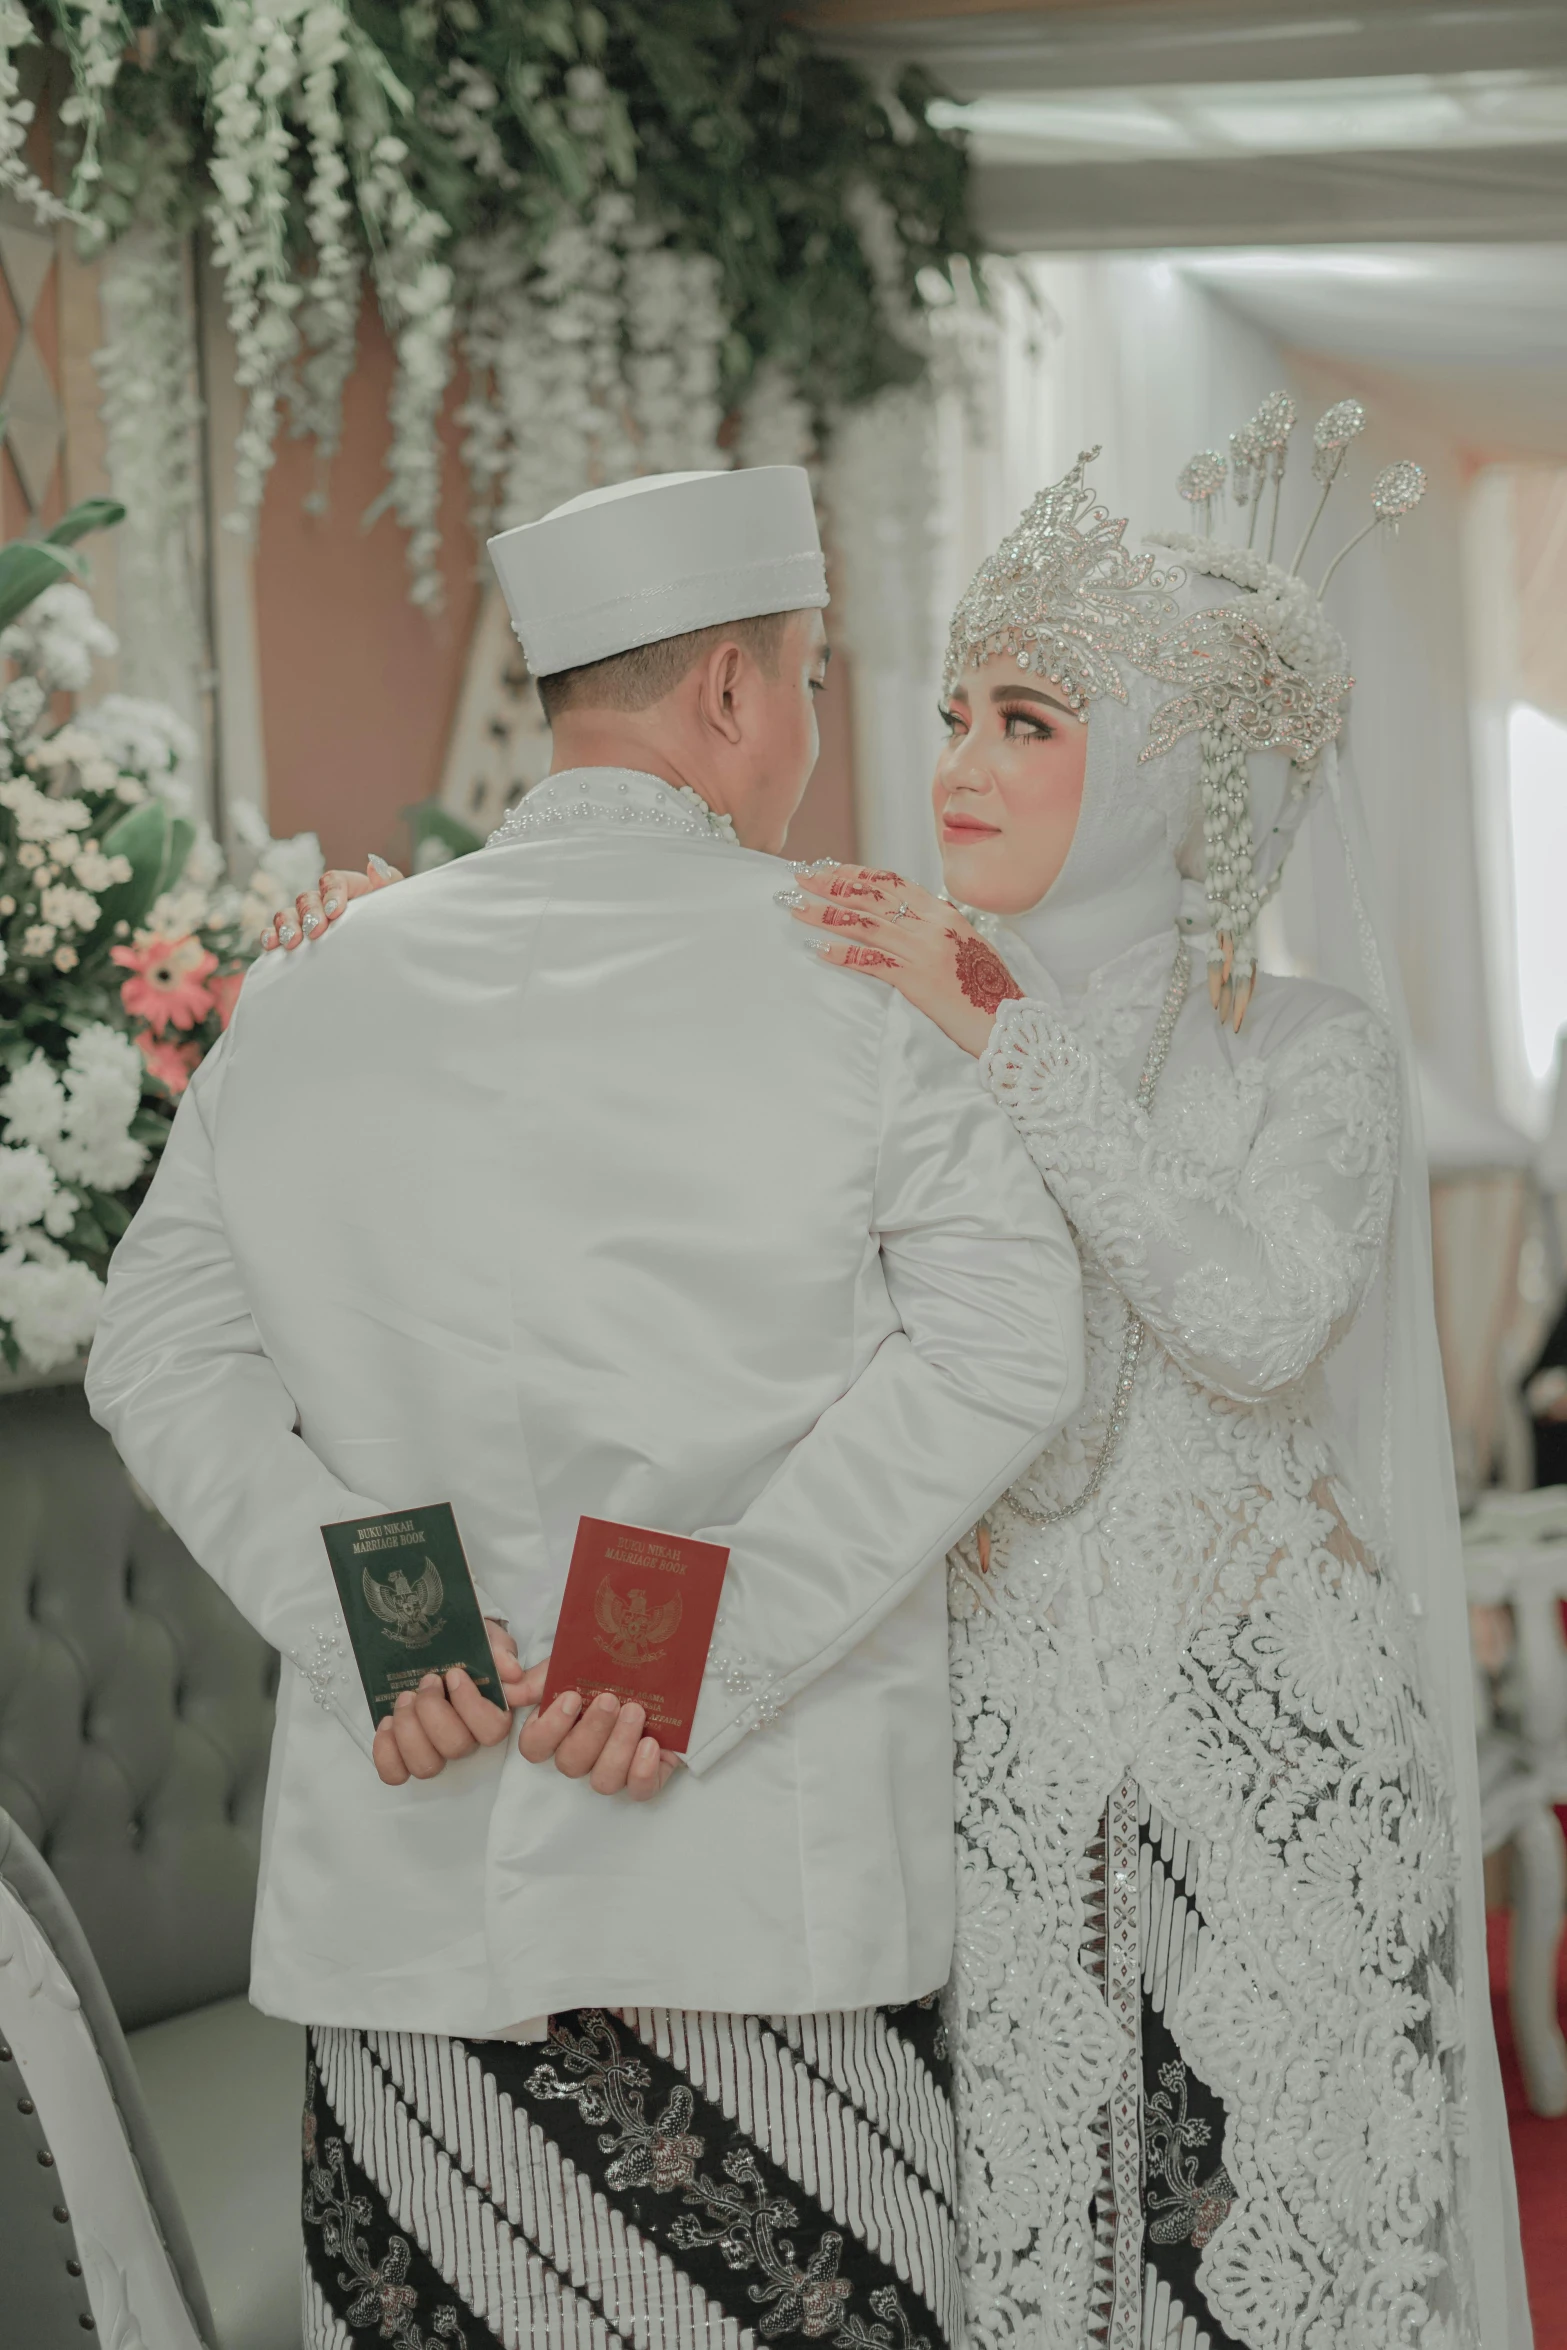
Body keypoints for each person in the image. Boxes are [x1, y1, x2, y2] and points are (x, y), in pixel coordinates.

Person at [290, 423, 1529, 2350]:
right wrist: (375, 947)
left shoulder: (1305, 1050)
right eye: (950, 710)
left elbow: (1261, 1316)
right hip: (998, 1786)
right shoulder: (884, 991)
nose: (953, 762)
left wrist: (1005, 1031)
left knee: (1275, 2275)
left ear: (1169, 767)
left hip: (1269, 1772)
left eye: (1026, 720)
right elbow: (608, 1027)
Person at [86, 465, 1085, 2350]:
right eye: (804, 682)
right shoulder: (851, 981)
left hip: (411, 1916)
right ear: (727, 693)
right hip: (762, 1921)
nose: (807, 732)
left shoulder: (312, 989)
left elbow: (155, 1346)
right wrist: (695, 1634)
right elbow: (1008, 1341)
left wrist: (381, 1614)